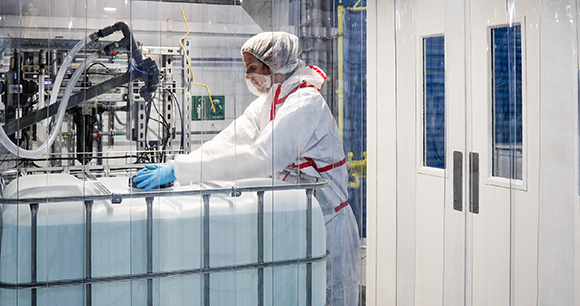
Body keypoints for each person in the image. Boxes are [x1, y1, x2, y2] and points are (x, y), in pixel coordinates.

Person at [133, 31, 360, 306]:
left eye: (252, 68)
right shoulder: (267, 104)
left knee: (327, 295)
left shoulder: (305, 103)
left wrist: (181, 171)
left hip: (327, 220)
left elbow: (261, 157)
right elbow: (226, 141)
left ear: (275, 61)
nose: (248, 77)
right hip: (297, 216)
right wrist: (177, 166)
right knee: (298, 293)